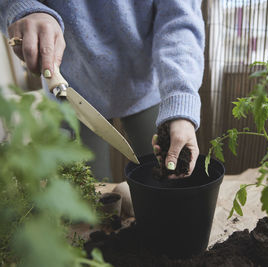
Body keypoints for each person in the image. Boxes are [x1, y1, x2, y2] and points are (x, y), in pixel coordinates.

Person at [0, 1, 204, 179]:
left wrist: (180, 97)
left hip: (145, 86)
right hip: (70, 91)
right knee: (86, 196)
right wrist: (24, 8)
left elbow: (179, 20)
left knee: (166, 177)